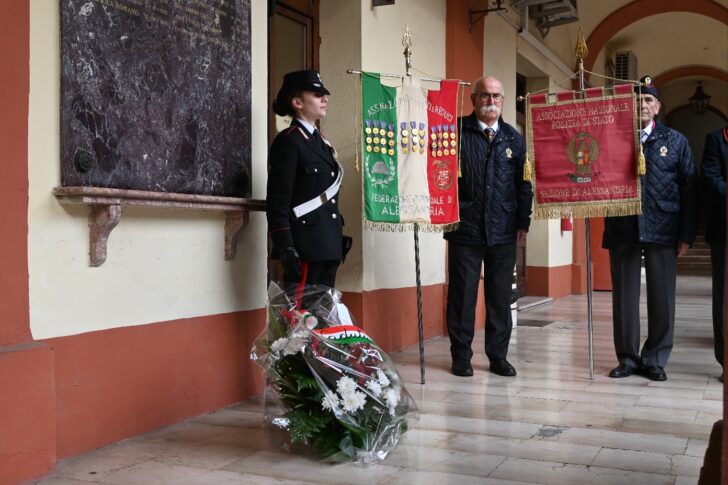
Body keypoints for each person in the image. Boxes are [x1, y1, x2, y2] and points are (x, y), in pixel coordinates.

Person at [603, 76, 697, 381]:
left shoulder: (675, 141)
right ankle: (628, 359)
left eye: (648, 100)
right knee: (624, 298)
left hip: (664, 226)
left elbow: (689, 190)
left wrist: (686, 234)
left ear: (657, 107)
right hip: (623, 225)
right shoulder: (612, 138)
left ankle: (655, 359)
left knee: (662, 297)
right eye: (637, 99)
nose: (642, 104)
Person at [444, 76, 533, 377]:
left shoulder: (513, 138)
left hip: (504, 230)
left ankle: (498, 356)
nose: (491, 101)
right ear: (473, 100)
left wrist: (524, 222)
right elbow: (438, 173)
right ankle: (460, 356)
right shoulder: (455, 131)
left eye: (497, 96)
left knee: (499, 297)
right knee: (463, 296)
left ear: (504, 101)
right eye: (484, 95)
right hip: (465, 228)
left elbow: (524, 184)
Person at [266, 69, 345, 288]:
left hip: (328, 246)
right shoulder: (289, 142)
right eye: (317, 95)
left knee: (323, 317)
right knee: (301, 318)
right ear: (297, 103)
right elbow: (277, 203)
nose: (324, 99)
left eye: (324, 95)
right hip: (304, 249)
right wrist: (286, 248)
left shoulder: (322, 143)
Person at [702, 126, 728, 381]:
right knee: (724, 297)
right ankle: (726, 361)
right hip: (724, 230)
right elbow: (710, 177)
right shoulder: (717, 138)